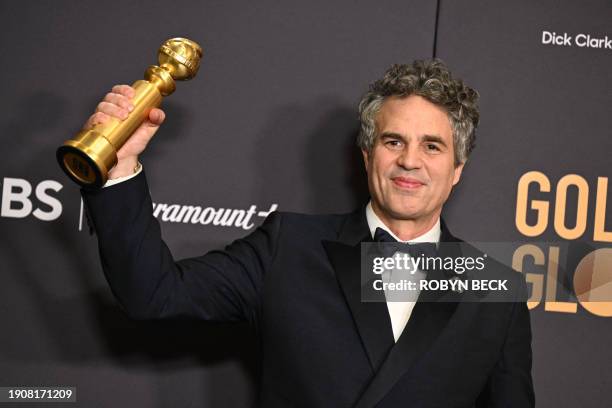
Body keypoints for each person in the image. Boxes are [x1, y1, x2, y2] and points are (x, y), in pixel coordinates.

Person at [81, 59, 535, 407]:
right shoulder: (288, 246)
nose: (410, 162)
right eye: (393, 141)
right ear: (366, 155)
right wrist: (118, 169)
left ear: (457, 170)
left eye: (431, 146)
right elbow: (153, 295)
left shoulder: (498, 292)